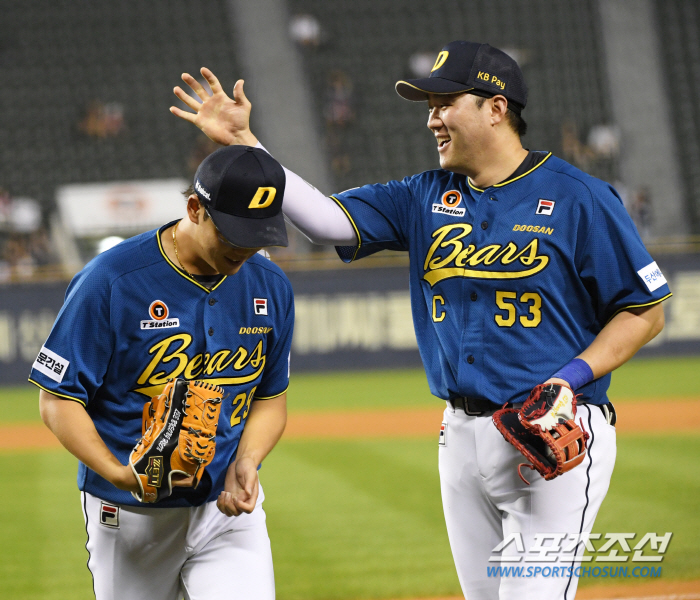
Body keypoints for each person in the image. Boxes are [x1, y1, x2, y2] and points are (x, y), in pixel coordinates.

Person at [171, 41, 671, 599]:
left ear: (496, 108)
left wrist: (571, 380)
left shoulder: (579, 198)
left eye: (443, 102)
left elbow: (645, 309)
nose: (431, 118)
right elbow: (328, 221)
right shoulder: (423, 196)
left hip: (549, 431)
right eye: (428, 104)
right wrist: (246, 145)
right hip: (460, 435)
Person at [31, 145, 294, 600]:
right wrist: (117, 473)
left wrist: (247, 460)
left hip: (226, 518)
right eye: (234, 234)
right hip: (130, 517)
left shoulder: (270, 286)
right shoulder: (111, 281)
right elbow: (57, 399)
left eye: (259, 235)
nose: (246, 249)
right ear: (194, 208)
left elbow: (271, 396)